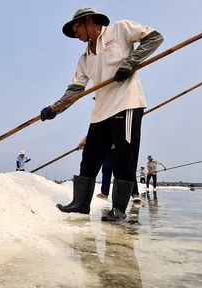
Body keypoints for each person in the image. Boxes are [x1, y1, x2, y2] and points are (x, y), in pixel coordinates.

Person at [40, 8, 163, 221]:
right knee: (89, 157)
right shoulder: (85, 59)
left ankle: (118, 210)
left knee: (125, 156)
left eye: (76, 28)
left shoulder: (120, 30)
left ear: (88, 21)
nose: (76, 35)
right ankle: (80, 204)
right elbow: (75, 90)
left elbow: (154, 38)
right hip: (101, 111)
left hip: (127, 103)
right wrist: (55, 109)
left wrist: (129, 63)